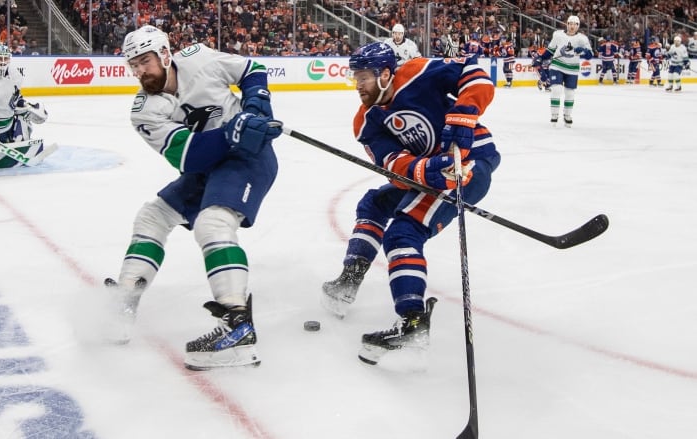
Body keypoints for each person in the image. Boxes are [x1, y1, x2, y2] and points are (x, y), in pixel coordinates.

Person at [105, 25, 282, 371]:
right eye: (133, 66)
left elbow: (251, 71)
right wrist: (232, 133)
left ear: (165, 54)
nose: (140, 72)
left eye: (145, 61)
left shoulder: (200, 58)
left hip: (250, 159)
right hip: (208, 164)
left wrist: (257, 103)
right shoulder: (144, 110)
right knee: (152, 217)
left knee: (213, 222)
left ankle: (236, 327)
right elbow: (188, 158)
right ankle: (125, 300)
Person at [323, 42, 501, 366]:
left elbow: (477, 75)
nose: (357, 84)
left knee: (403, 234)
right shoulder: (365, 122)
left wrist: (463, 116)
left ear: (386, 74)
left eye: (363, 77)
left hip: (470, 164)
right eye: (355, 77)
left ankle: (413, 322)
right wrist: (426, 170)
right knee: (373, 204)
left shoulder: (418, 73)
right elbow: (393, 164)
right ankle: (351, 277)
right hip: (436, 174)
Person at [0, 43, 53, 171]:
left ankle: (19, 142)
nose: (3, 62)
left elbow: (15, 98)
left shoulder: (13, 74)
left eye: (6, 59)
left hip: (9, 124)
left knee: (24, 116)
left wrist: (26, 106)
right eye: (0, 59)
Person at [532, 15, 592, 127]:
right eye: (570, 23)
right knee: (556, 90)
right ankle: (554, 115)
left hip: (572, 69)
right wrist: (541, 58)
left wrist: (583, 51)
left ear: (578, 26)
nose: (572, 26)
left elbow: (590, 55)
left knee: (570, 93)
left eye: (575, 24)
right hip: (557, 66)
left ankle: (567, 115)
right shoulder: (558, 35)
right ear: (567, 24)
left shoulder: (582, 39)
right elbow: (550, 50)